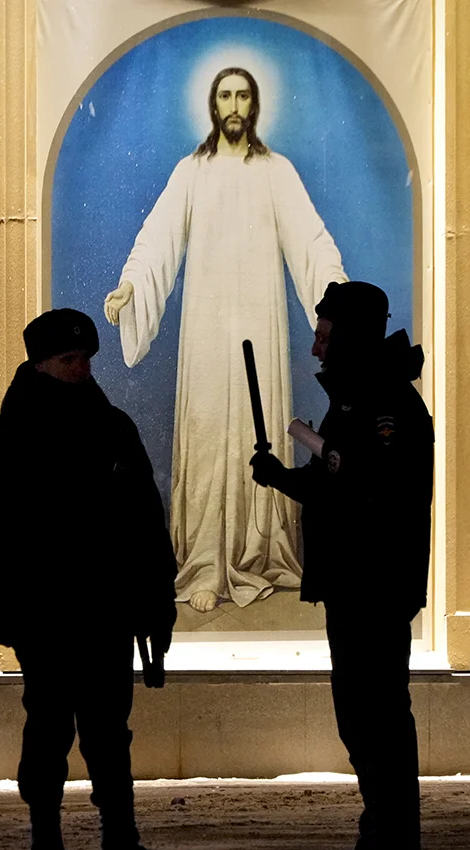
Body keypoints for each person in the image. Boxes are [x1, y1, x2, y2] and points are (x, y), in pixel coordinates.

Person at [104, 65, 347, 614]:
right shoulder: (191, 172)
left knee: (255, 428)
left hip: (259, 321)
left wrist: (340, 297)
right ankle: (208, 560)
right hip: (207, 329)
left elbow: (310, 240)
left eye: (242, 95)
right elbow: (158, 236)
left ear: (254, 104)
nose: (234, 105)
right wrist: (132, 286)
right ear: (213, 106)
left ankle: (260, 552)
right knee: (211, 428)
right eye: (225, 96)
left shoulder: (276, 171)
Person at [0, 308, 178, 850]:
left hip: (107, 613)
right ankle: (46, 846)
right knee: (50, 727)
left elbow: (145, 523)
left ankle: (121, 847)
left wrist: (159, 601)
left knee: (110, 731)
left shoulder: (112, 429)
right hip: (44, 615)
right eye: (69, 360)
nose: (82, 369)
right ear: (40, 363)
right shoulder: (5, 439)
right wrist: (1, 605)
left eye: (86, 359)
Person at [249, 281, 433, 850]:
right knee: (362, 718)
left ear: (351, 336)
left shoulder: (386, 407)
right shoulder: (358, 399)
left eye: (326, 336)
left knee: (375, 719)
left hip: (374, 586)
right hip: (356, 584)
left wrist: (326, 459)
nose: (316, 350)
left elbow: (371, 488)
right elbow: (338, 480)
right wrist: (283, 476)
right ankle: (380, 843)